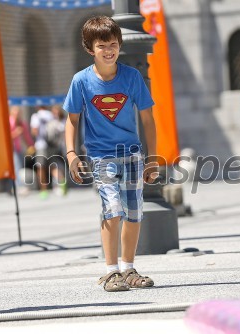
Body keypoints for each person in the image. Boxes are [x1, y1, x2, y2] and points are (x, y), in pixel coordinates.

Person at [63, 16, 159, 292]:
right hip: (100, 156)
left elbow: (148, 119)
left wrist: (152, 158)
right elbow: (72, 120)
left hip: (131, 155)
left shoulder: (131, 77)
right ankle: (110, 271)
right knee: (112, 208)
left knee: (134, 212)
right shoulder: (81, 81)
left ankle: (129, 268)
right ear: (90, 48)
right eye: (102, 45)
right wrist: (71, 154)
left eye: (114, 44)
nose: (109, 50)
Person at [9, 105, 35, 195]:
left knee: (18, 167)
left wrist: (31, 145)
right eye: (15, 113)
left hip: (18, 149)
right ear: (12, 113)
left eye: (18, 113)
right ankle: (18, 187)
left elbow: (27, 136)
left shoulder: (21, 123)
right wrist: (16, 133)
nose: (17, 115)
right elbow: (6, 137)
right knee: (16, 167)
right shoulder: (9, 122)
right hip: (10, 149)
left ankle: (15, 187)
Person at [30, 105, 54, 199]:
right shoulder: (50, 115)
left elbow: (34, 131)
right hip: (52, 145)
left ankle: (43, 189)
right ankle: (59, 184)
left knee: (40, 167)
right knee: (52, 165)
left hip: (41, 144)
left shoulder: (36, 116)